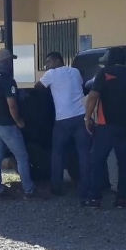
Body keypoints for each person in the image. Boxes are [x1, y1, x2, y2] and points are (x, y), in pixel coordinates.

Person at [84, 50, 126, 209]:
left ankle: (95, 198)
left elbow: (93, 96)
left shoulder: (104, 73)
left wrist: (87, 118)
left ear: (110, 60)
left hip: (106, 126)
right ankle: (121, 199)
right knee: (123, 163)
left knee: (97, 161)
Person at [36, 52, 91, 205]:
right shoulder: (75, 72)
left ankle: (57, 187)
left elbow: (37, 87)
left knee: (58, 153)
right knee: (83, 153)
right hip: (80, 116)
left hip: (63, 120)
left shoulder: (51, 74)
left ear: (56, 60)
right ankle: (84, 189)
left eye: (48, 62)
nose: (47, 65)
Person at [0, 48, 36, 199]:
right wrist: (18, 121)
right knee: (22, 156)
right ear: (6, 62)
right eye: (10, 61)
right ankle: (28, 189)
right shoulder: (7, 80)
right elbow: (12, 105)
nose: (11, 64)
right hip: (7, 125)